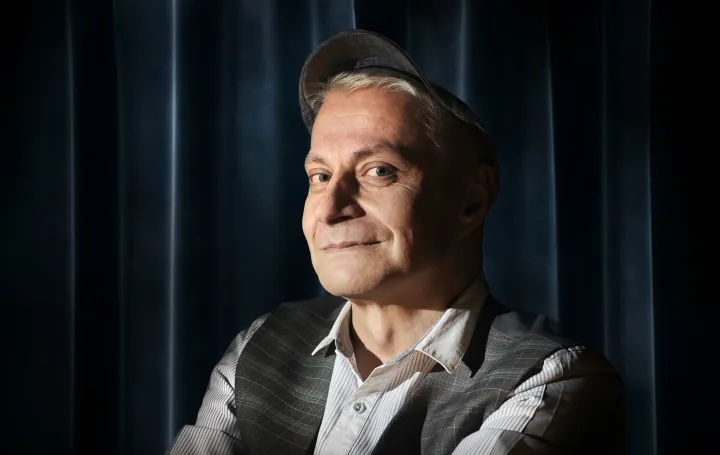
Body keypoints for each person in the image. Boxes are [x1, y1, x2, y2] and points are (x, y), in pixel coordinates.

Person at [167, 29, 624, 455]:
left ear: (471, 199)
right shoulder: (261, 346)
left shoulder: (548, 378)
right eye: (320, 176)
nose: (331, 208)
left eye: (379, 171)